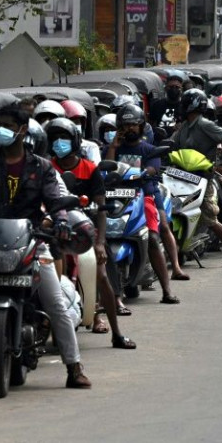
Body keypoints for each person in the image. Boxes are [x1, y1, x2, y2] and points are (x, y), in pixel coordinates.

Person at [0, 105, 92, 388]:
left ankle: (74, 366)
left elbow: (56, 199)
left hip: (33, 241)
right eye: (0, 126)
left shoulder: (42, 167)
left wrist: (60, 221)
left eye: (8, 126)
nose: (2, 131)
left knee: (56, 304)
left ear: (23, 131)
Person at [45, 118, 136, 349]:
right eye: (54, 138)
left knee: (102, 274)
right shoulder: (46, 168)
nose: (58, 143)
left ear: (74, 141)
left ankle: (113, 330)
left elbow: (101, 207)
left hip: (87, 229)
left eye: (63, 138)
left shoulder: (89, 168)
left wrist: (99, 242)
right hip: (54, 229)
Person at [104, 104, 181, 304]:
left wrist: (147, 172)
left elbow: (153, 169)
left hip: (144, 196)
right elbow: (105, 169)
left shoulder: (148, 149)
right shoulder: (112, 148)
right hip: (115, 198)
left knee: (154, 239)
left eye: (134, 125)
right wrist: (112, 147)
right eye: (125, 125)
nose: (130, 128)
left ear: (141, 126)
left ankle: (166, 290)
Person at [171, 89, 222, 268]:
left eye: (185, 102)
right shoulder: (184, 127)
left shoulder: (204, 124)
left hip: (203, 178)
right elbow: (172, 144)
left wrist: (219, 161)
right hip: (183, 177)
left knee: (210, 218)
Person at [60, 100, 101, 164]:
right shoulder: (56, 146)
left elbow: (95, 169)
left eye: (77, 122)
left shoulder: (90, 147)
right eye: (71, 121)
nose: (74, 125)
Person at [149, 70, 186, 138]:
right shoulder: (157, 105)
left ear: (181, 89)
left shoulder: (185, 106)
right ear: (166, 88)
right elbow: (150, 125)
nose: (174, 89)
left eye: (177, 87)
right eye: (171, 87)